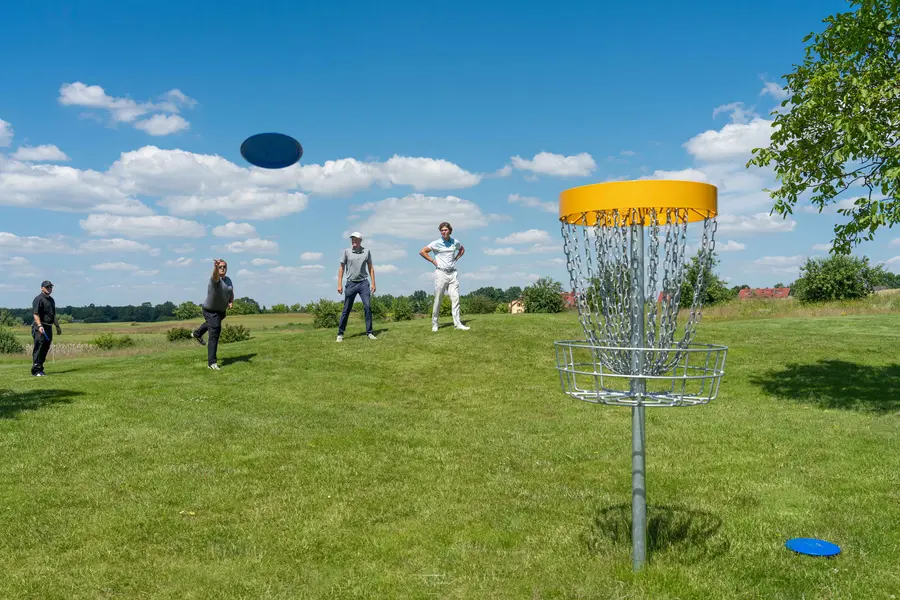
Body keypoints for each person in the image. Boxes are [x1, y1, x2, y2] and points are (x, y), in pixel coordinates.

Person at [420, 222, 470, 332]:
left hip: (452, 274)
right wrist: (433, 261)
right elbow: (422, 252)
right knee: (438, 299)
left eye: (445, 230)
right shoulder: (436, 243)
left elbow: (462, 249)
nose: (443, 232)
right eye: (442, 230)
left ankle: (457, 324)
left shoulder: (455, 242)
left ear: (450, 231)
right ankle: (435, 323)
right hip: (441, 273)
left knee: (456, 299)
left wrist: (456, 258)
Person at [191, 258, 233, 370]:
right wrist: (215, 267)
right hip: (210, 310)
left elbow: (231, 291)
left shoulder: (228, 280)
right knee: (215, 332)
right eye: (220, 267)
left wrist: (230, 301)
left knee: (212, 324)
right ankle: (211, 363)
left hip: (221, 312)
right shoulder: (215, 280)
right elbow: (215, 275)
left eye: (224, 267)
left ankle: (197, 334)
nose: (222, 268)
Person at [336, 232, 377, 342]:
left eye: (355, 239)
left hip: (363, 283)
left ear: (360, 240)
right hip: (351, 284)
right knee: (346, 309)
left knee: (367, 307)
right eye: (352, 239)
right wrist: (339, 284)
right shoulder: (346, 252)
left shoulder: (366, 252)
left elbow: (371, 268)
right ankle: (340, 334)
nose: (353, 240)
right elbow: (341, 268)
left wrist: (373, 283)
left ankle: (369, 332)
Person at [31, 280, 60, 377]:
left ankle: (40, 368)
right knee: (39, 347)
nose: (49, 289)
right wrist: (39, 326)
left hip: (48, 326)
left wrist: (57, 326)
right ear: (42, 288)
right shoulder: (38, 299)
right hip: (40, 326)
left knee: (45, 348)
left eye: (50, 287)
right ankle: (36, 370)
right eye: (47, 287)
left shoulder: (51, 300)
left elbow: (53, 315)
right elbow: (35, 314)